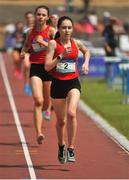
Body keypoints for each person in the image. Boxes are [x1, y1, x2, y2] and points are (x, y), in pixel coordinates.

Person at [45, 16, 90, 163]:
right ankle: (61, 145)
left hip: (73, 83)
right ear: (58, 29)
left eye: (69, 27)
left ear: (72, 29)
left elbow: (87, 51)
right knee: (61, 121)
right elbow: (47, 66)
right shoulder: (53, 44)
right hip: (57, 85)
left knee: (71, 113)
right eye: (64, 27)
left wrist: (86, 64)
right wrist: (61, 56)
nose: (67, 30)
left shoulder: (76, 43)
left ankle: (71, 148)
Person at [20, 5, 56, 144]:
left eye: (43, 15)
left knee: (46, 103)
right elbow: (26, 45)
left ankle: (47, 109)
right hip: (35, 68)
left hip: (48, 68)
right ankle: (39, 132)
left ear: (47, 17)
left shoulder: (51, 31)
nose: (40, 17)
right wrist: (23, 52)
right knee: (38, 100)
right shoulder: (30, 32)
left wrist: (44, 43)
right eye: (38, 14)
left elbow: (58, 49)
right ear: (35, 16)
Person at [22, 11, 35, 96]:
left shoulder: (36, 27)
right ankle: (26, 84)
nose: (29, 19)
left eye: (31, 17)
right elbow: (24, 42)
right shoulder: (24, 28)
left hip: (36, 52)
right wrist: (23, 50)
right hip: (27, 51)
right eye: (28, 17)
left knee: (32, 69)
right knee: (27, 65)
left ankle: (31, 84)